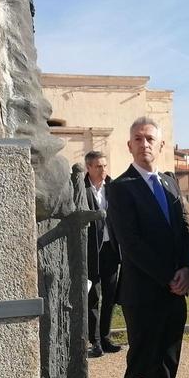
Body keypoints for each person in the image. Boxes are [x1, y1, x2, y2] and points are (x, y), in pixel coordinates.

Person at [108, 117, 189, 378]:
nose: (145, 143)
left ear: (161, 146)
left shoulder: (169, 184)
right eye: (138, 138)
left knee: (167, 363)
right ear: (129, 145)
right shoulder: (120, 188)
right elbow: (130, 243)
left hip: (174, 293)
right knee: (142, 364)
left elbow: (182, 230)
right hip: (144, 294)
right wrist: (168, 275)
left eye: (151, 138)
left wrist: (187, 268)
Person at [84, 151, 122, 358]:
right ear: (89, 167)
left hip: (111, 249)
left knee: (110, 296)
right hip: (91, 251)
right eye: (98, 166)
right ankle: (95, 341)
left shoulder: (113, 187)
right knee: (93, 297)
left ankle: (106, 338)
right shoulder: (81, 189)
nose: (103, 170)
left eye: (105, 165)